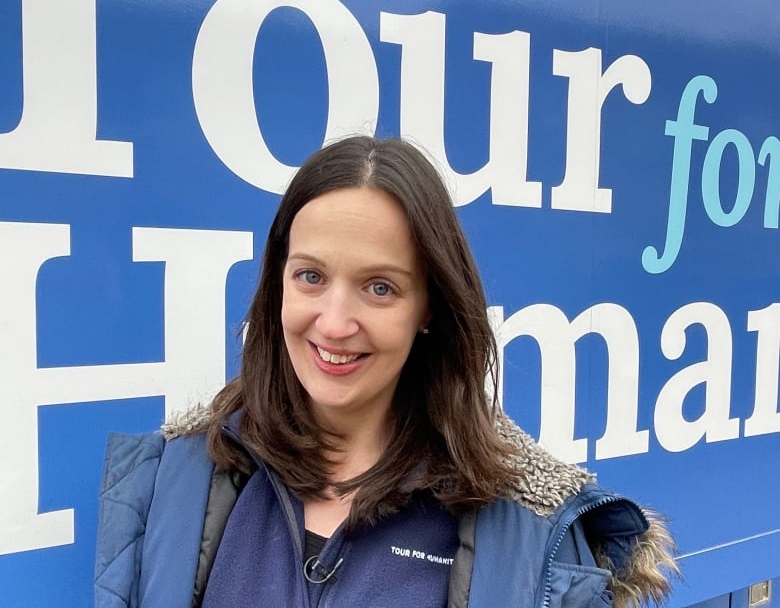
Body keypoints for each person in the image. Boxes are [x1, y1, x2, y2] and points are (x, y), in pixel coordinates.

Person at [94, 136, 677, 608]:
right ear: (277, 282)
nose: (335, 322)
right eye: (311, 277)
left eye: (380, 287)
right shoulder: (176, 477)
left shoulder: (530, 528)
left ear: (429, 307)